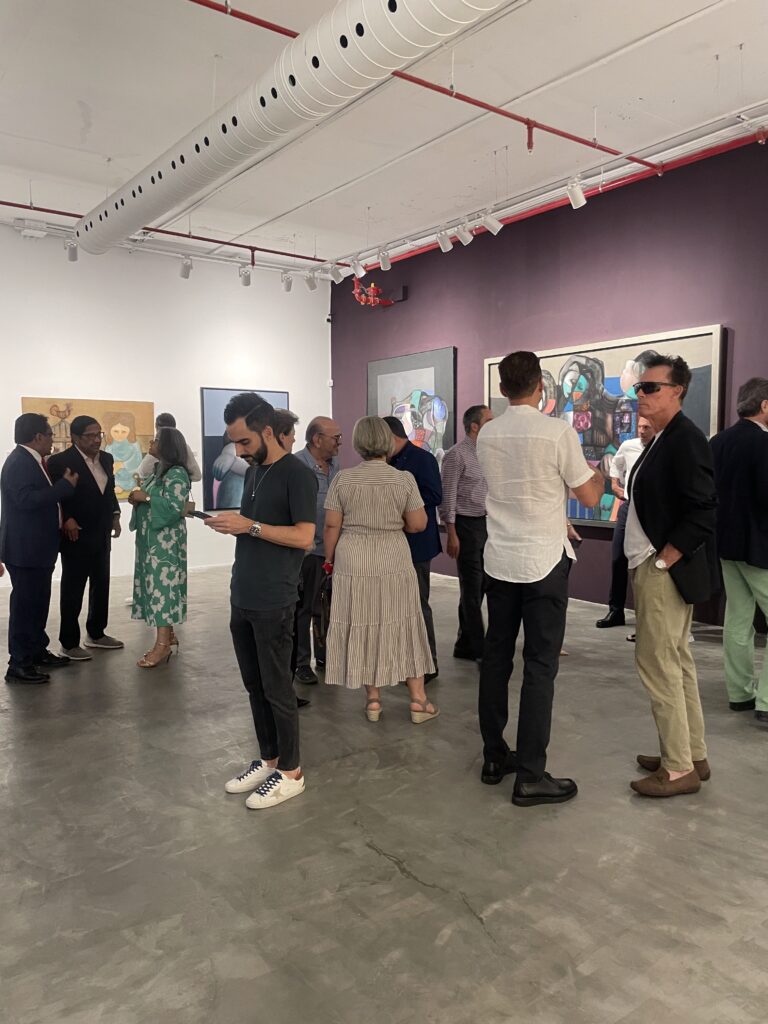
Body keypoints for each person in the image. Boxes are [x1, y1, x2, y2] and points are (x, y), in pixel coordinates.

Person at [477, 352, 603, 806]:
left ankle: (494, 757)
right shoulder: (557, 432)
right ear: (540, 386)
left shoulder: (487, 433)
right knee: (540, 666)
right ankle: (531, 774)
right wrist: (600, 478)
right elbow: (589, 495)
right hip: (544, 561)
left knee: (496, 660)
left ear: (503, 389)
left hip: (500, 560)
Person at [206, 393, 317, 810]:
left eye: (245, 442)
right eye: (234, 443)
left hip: (274, 599)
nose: (239, 451)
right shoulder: (254, 472)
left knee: (277, 689)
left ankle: (291, 772)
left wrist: (248, 526)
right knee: (254, 686)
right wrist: (235, 526)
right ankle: (269, 759)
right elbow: (257, 528)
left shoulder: (297, 475)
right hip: (244, 595)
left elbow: (304, 538)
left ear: (267, 431)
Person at [626, 354, 718, 797]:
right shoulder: (666, 438)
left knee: (658, 663)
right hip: (657, 565)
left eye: (650, 388)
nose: (640, 395)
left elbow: (704, 508)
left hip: (663, 569)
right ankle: (690, 754)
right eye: (638, 388)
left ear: (677, 390)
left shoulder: (684, 439)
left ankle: (678, 768)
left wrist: (666, 558)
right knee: (676, 661)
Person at [322, 416, 438, 723]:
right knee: (403, 622)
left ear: (358, 443)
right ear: (387, 441)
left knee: (363, 621)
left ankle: (373, 700)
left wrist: (329, 560)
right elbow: (418, 524)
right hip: (392, 557)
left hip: (353, 559)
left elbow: (332, 525)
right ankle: (418, 701)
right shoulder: (403, 480)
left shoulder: (343, 479)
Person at [0, 413, 78, 684]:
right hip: (25, 549)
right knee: (25, 606)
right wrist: (63, 488)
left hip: (38, 547)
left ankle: (36, 651)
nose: (52, 439)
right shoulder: (19, 463)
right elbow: (25, 500)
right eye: (50, 434)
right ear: (38, 437)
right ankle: (19, 664)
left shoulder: (31, 461)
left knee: (38, 603)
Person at [710, 377, 768, 724]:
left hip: (726, 545)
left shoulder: (717, 442)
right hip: (760, 547)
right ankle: (766, 701)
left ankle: (740, 693)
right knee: (741, 619)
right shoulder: (764, 443)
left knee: (738, 619)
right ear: (764, 405)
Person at [47, 416, 124, 659]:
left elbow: (109, 491)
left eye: (98, 434)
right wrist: (67, 518)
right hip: (76, 532)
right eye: (90, 436)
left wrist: (115, 515)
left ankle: (97, 633)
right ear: (76, 438)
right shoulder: (60, 461)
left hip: (101, 530)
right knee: (73, 587)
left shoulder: (106, 459)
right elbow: (57, 495)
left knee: (101, 583)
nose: (96, 440)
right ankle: (69, 643)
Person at [383, 415, 442, 681]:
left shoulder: (422, 459)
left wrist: (404, 499)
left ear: (391, 437)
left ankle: (427, 664)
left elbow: (435, 495)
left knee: (417, 605)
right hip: (392, 544)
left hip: (417, 544)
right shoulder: (387, 462)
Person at [129, 427, 191, 669]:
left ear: (167, 446)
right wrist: (138, 497)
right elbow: (149, 495)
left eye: (156, 440)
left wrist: (144, 498)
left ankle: (162, 645)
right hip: (151, 543)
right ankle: (170, 635)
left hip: (165, 545)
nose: (151, 443)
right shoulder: (158, 470)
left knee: (163, 589)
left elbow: (174, 507)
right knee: (155, 588)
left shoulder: (177, 473)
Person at [439, 404, 493, 663]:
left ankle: (464, 644)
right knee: (472, 588)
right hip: (466, 526)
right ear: (474, 426)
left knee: (481, 586)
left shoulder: (487, 453)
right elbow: (447, 496)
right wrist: (451, 532)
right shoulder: (456, 455)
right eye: (489, 421)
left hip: (486, 524)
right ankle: (480, 650)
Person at [293, 417, 342, 684]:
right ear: (317, 439)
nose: (339, 443)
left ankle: (325, 656)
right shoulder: (297, 466)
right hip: (307, 551)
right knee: (303, 609)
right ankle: (301, 663)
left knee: (326, 606)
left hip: (332, 549)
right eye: (336, 437)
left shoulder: (336, 467)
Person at [595, 416, 655, 630]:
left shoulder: (662, 448)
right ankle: (616, 610)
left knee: (649, 563)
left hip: (652, 509)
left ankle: (647, 618)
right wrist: (615, 485)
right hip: (629, 506)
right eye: (639, 427)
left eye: (647, 427)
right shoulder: (629, 446)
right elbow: (616, 464)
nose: (642, 431)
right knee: (618, 556)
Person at [138, 412, 202, 482]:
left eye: (156, 440)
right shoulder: (184, 447)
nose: (151, 442)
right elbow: (196, 475)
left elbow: (142, 472)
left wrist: (171, 478)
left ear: (156, 427)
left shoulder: (160, 448)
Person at [103, 411, 144, 494]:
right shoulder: (109, 446)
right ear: (109, 431)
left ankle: (134, 486)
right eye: (116, 431)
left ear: (129, 431)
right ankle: (118, 486)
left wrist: (122, 464)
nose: (119, 435)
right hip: (118, 477)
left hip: (132, 475)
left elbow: (138, 461)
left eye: (124, 432)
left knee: (136, 479)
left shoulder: (134, 445)